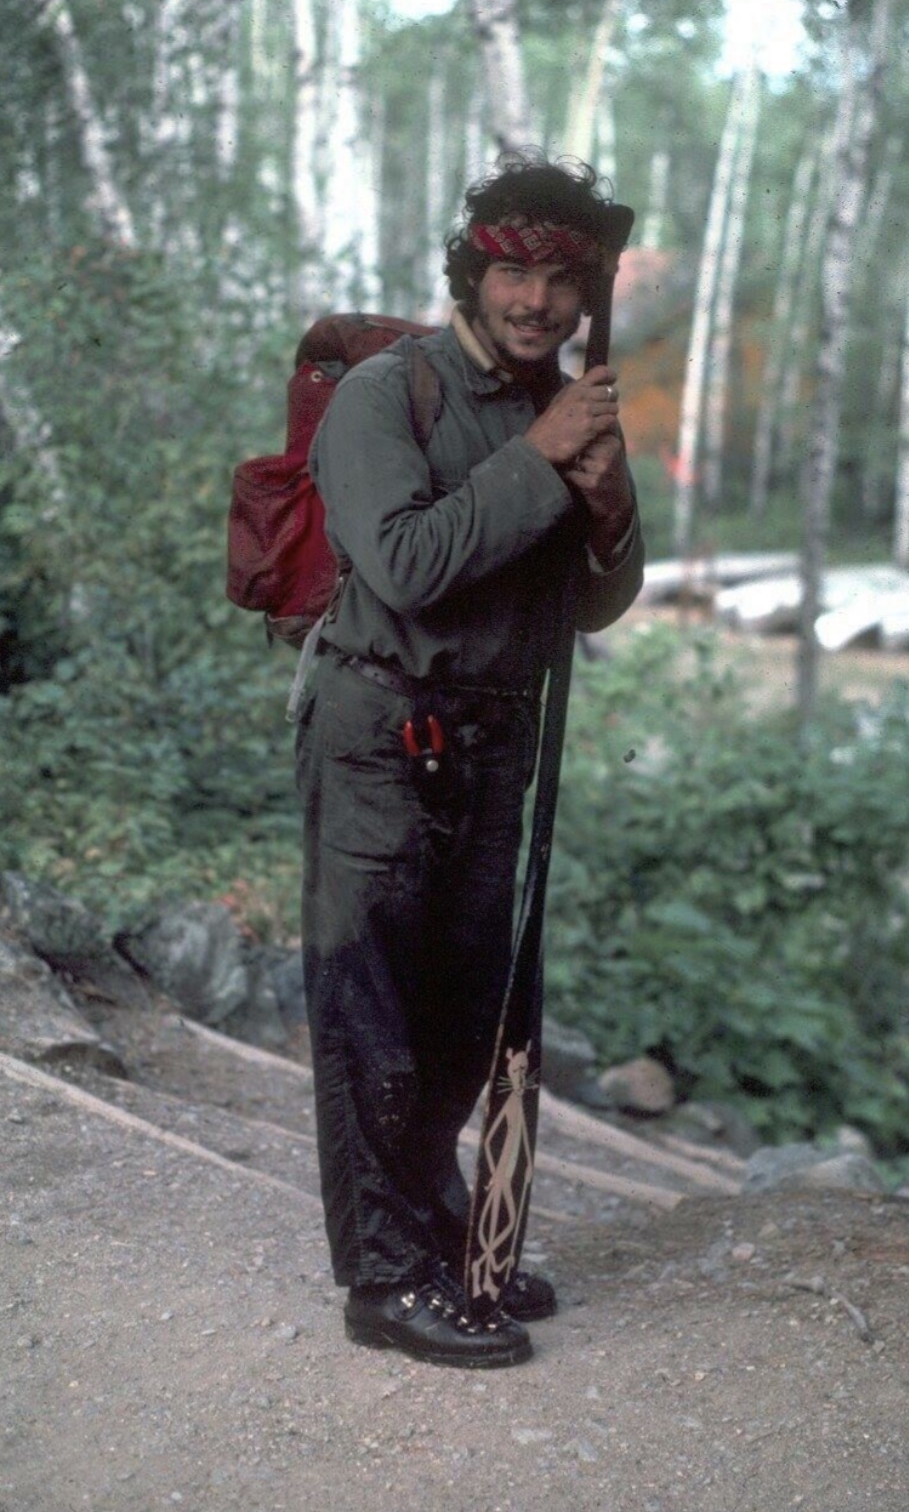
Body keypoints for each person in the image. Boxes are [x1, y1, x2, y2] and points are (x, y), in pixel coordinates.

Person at [296, 153, 644, 1369]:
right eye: (514, 271)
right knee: (372, 1017)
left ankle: (441, 1226)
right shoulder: (388, 396)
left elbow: (595, 605)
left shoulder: (566, 401)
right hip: (378, 739)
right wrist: (543, 459)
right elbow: (403, 563)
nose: (535, 302)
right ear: (473, 269)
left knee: (458, 1015)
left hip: (493, 747)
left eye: (561, 278)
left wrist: (605, 512)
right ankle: (382, 1278)